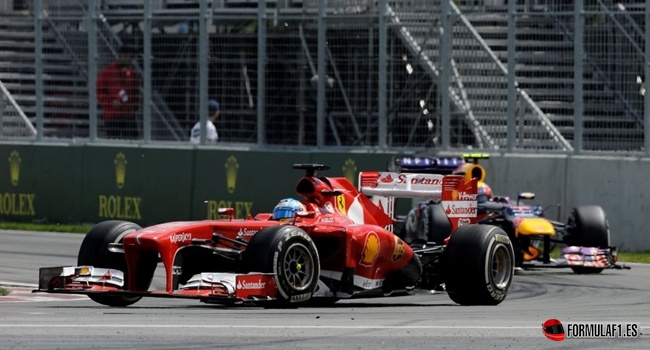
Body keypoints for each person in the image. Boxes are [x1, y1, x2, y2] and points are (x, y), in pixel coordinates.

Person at [96, 45, 141, 139]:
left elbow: (135, 92)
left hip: (127, 114)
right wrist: (111, 103)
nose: (130, 60)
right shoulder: (106, 72)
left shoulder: (132, 73)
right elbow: (100, 92)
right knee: (114, 142)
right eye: (129, 57)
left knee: (132, 141)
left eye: (131, 57)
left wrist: (134, 106)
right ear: (122, 56)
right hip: (112, 114)